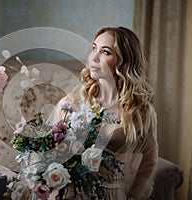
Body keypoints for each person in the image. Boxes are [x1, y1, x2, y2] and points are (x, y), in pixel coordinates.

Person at [51, 26, 158, 200]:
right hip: (71, 194)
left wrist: (133, 197)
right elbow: (51, 151)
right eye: (94, 49)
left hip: (111, 195)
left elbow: (149, 162)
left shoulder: (141, 112)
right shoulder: (72, 103)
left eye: (105, 52)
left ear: (123, 61)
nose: (94, 57)